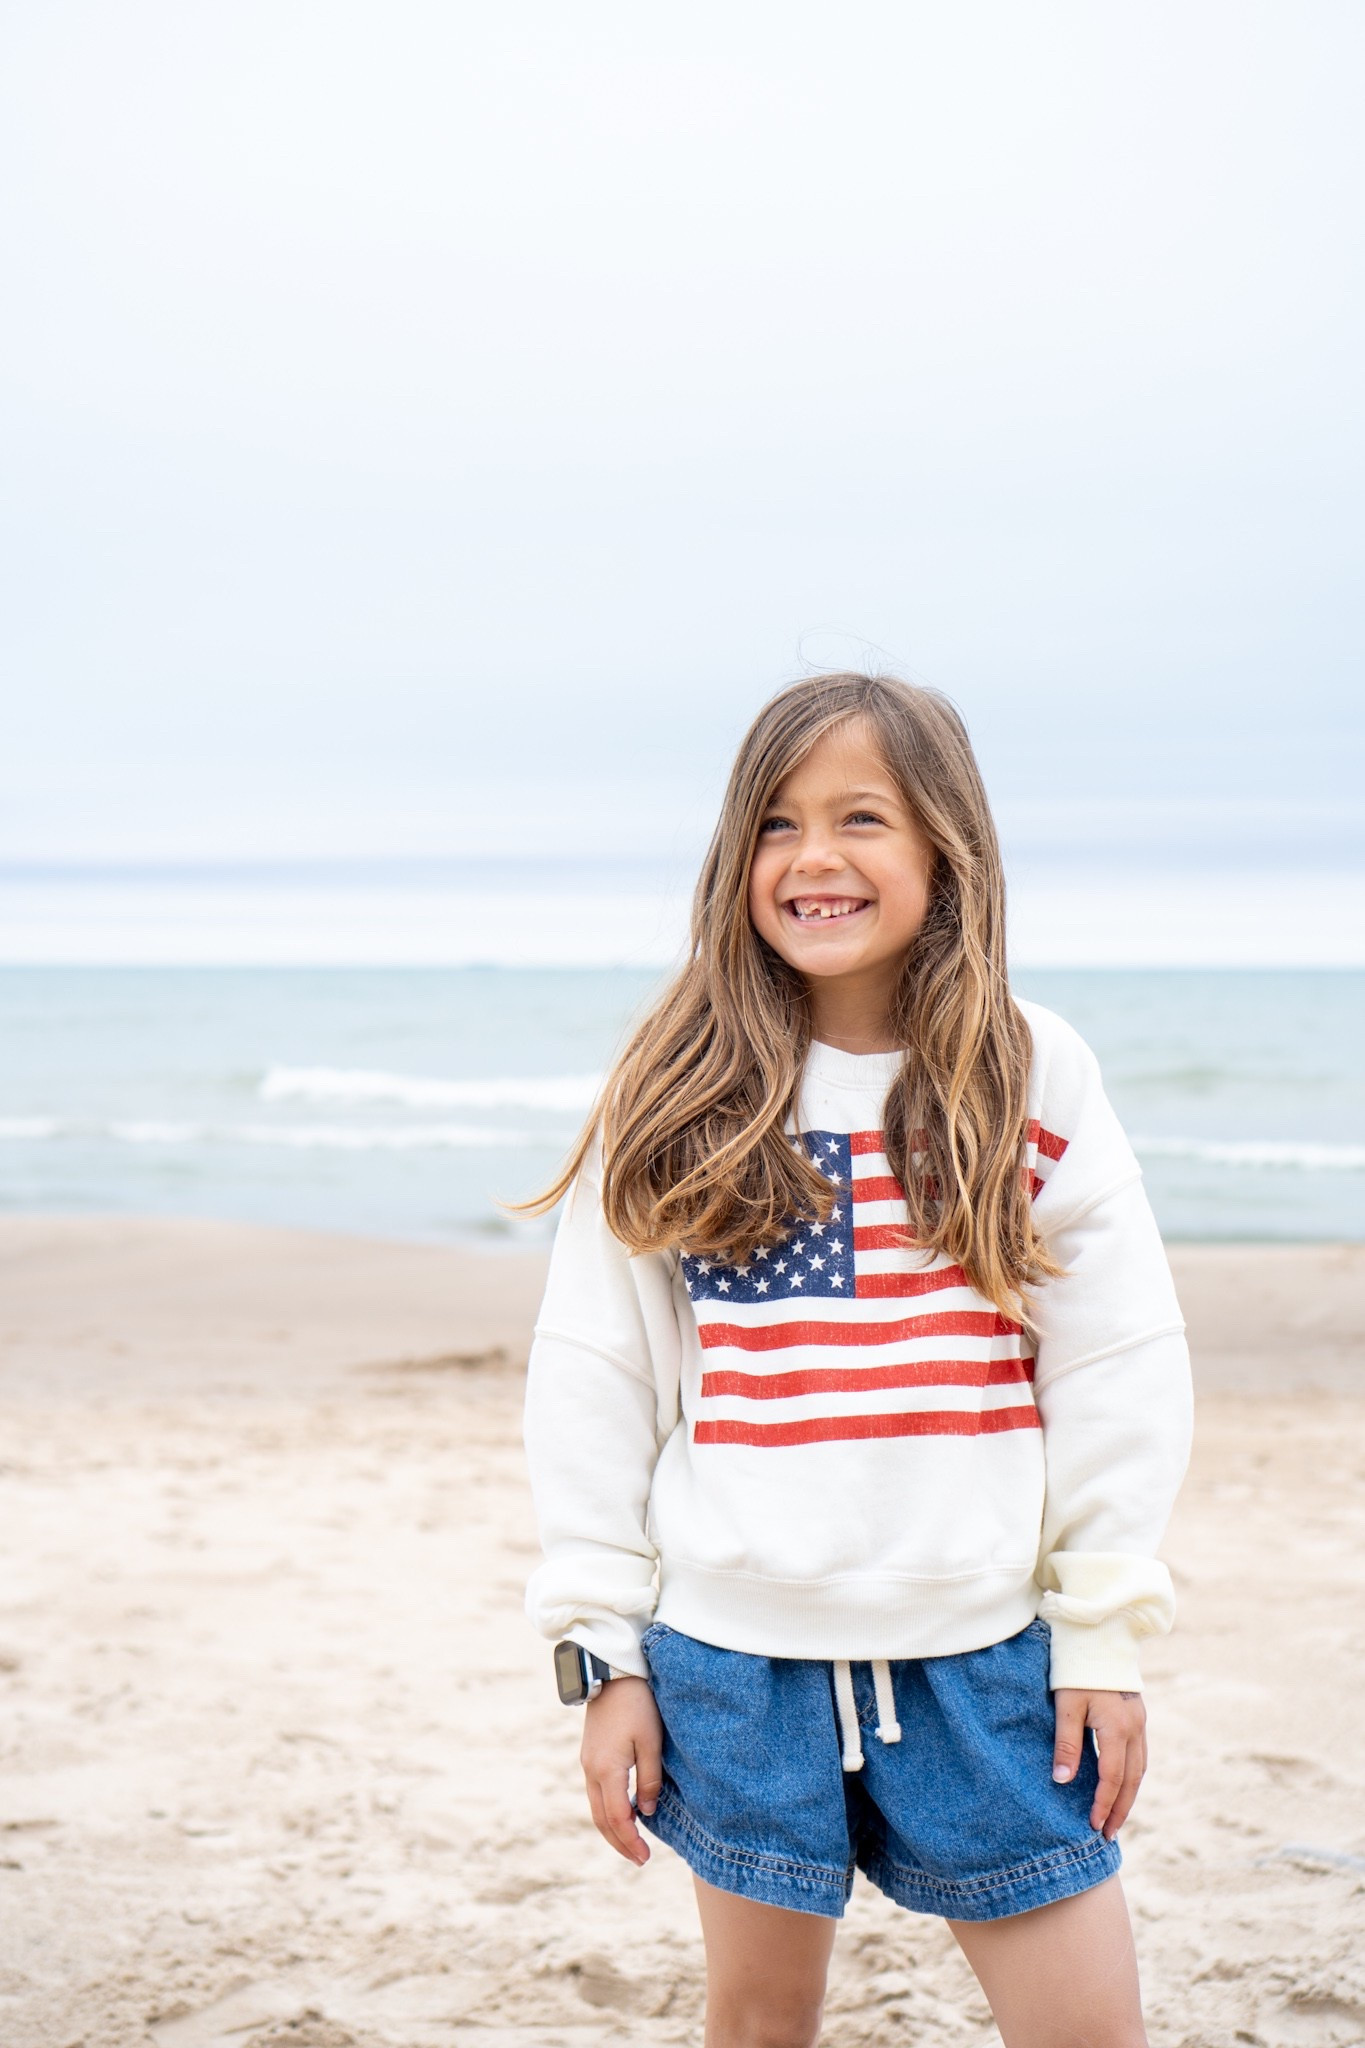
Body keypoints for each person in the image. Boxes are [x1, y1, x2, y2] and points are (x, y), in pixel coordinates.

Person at [509, 672, 1193, 2048]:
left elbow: (1114, 1361)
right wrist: (602, 1654)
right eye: (773, 824)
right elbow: (595, 1376)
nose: (812, 858)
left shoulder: (1026, 1072)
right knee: (760, 2022)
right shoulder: (680, 1083)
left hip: (986, 1651)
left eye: (859, 817)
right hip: (730, 1661)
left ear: (945, 850)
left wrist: (1101, 1634)